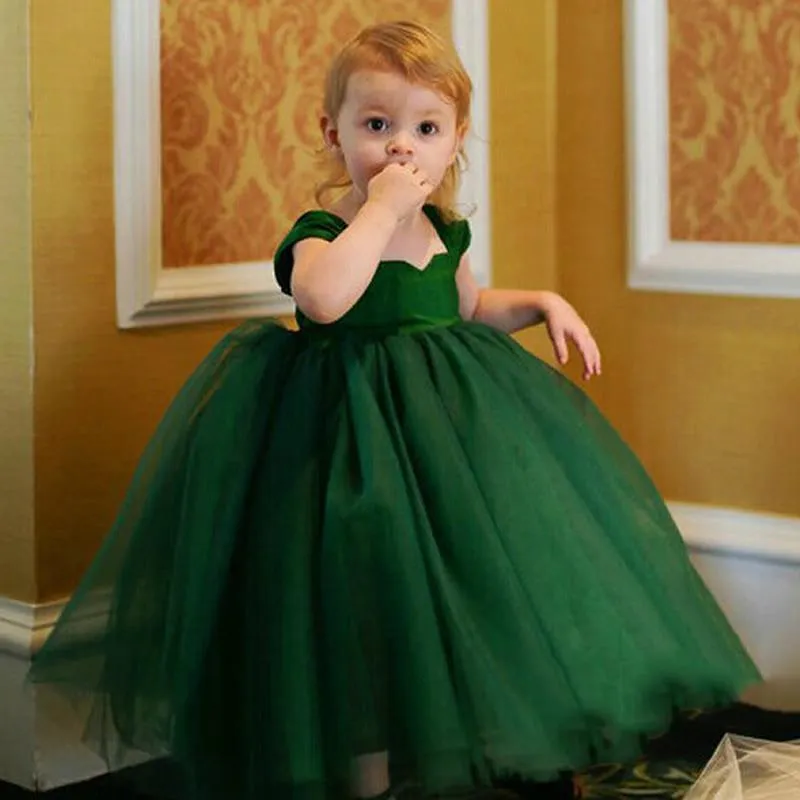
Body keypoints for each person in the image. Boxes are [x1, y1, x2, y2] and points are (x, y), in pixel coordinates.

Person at [30, 18, 760, 800]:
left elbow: (467, 308)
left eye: (425, 128)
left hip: (442, 444)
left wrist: (544, 301)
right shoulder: (324, 232)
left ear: (455, 141)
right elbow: (325, 296)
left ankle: (460, 745)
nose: (401, 148)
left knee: (458, 599)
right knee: (359, 622)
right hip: (336, 447)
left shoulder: (445, 230)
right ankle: (362, 777)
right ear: (333, 132)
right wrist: (378, 212)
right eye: (377, 126)